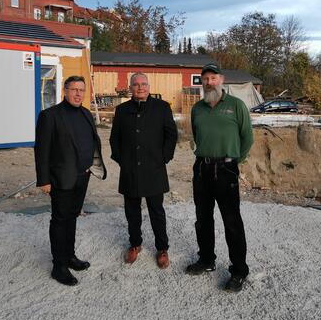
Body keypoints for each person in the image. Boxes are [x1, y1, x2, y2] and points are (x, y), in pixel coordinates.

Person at [185, 63, 254, 292]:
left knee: (232, 222)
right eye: (205, 79)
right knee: (202, 219)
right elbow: (196, 136)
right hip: (202, 170)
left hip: (227, 170)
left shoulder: (236, 106)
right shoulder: (197, 109)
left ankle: (239, 270)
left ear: (221, 80)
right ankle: (206, 260)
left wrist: (234, 162)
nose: (209, 82)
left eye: (213, 78)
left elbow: (247, 138)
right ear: (201, 82)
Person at [35, 75, 106, 286]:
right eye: (74, 89)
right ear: (65, 91)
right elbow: (42, 151)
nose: (78, 93)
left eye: (81, 90)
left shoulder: (85, 113)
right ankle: (59, 266)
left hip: (83, 176)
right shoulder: (50, 116)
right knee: (60, 220)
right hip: (61, 178)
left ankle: (69, 256)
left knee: (72, 217)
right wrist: (43, 180)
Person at [109, 73, 178, 268]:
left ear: (149, 86)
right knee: (132, 211)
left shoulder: (162, 107)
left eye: (144, 84)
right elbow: (115, 139)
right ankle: (135, 244)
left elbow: (171, 135)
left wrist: (164, 158)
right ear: (130, 87)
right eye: (136, 84)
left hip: (154, 169)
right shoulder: (122, 110)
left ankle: (162, 248)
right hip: (130, 170)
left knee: (157, 211)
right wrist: (122, 160)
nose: (140, 87)